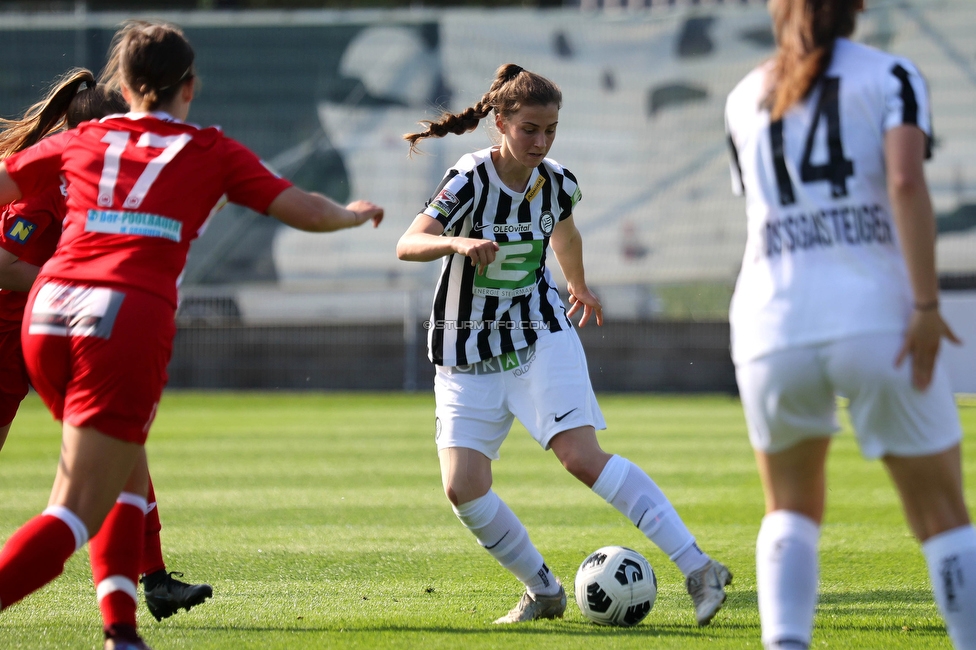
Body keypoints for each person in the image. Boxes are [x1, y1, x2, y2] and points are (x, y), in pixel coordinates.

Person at [0, 21, 383, 650]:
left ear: (123, 85)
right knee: (72, 509)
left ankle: (121, 630)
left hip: (43, 314)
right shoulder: (209, 149)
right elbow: (305, 211)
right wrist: (351, 215)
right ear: (191, 85)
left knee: (123, 468)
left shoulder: (89, 135)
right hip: (121, 317)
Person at [397, 63, 731, 626]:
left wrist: (577, 284)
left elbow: (565, 232)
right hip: (466, 347)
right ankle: (543, 590)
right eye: (530, 128)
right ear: (500, 122)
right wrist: (458, 242)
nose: (541, 141)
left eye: (550, 129)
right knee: (463, 488)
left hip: (539, 334)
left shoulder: (558, 180)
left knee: (580, 456)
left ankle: (699, 568)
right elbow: (409, 243)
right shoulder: (469, 177)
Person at [723, 1, 976, 648]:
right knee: (943, 516)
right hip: (876, 320)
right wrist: (926, 306)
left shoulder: (743, 96)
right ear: (857, 7)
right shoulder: (891, 75)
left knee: (790, 512)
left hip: (768, 324)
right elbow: (905, 182)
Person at [0, 72, 213, 623]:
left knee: (122, 438)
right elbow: (2, 266)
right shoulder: (53, 182)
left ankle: (156, 579)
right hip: (7, 332)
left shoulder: (100, 176)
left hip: (62, 326)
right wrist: (80, 276)